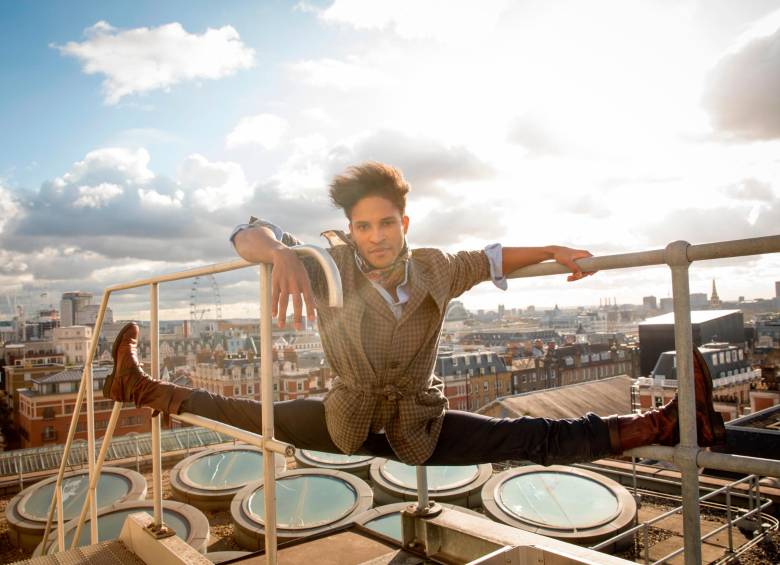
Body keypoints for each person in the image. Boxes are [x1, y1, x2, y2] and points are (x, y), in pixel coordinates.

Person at [103, 162, 725, 466]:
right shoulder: (331, 267)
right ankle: (138, 385)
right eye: (362, 226)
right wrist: (281, 252)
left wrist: (556, 250)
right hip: (344, 418)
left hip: (419, 426)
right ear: (350, 229)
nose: (375, 236)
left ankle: (663, 425)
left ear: (406, 223)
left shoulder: (435, 269)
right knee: (248, 413)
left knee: (533, 436)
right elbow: (246, 231)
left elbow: (490, 258)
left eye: (386, 224)